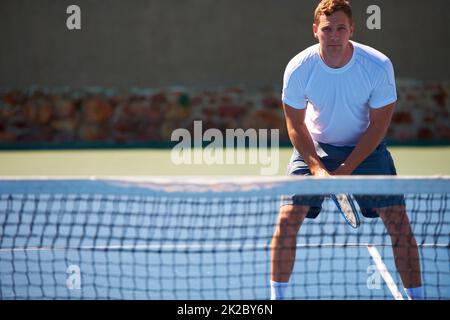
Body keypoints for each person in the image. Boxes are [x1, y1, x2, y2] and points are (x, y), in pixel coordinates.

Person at [270, 0, 422, 300]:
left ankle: (419, 297)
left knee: (399, 222)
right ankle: (277, 298)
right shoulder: (299, 68)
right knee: (287, 220)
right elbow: (295, 126)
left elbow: (378, 126)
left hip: (367, 149)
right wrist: (316, 168)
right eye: (327, 29)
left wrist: (344, 172)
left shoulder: (377, 65)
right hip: (314, 147)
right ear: (316, 31)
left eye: (341, 28)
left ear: (352, 29)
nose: (335, 35)